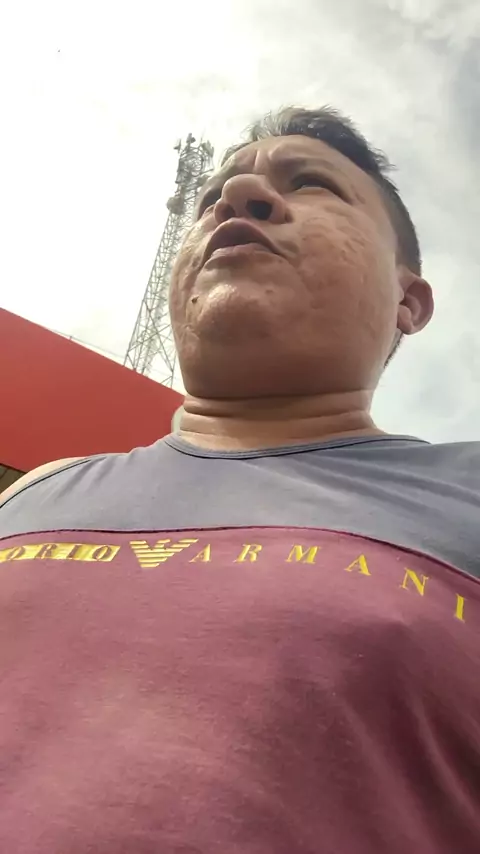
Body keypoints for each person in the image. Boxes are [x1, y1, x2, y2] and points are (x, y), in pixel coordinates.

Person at [0, 106, 478, 854]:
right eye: (213, 196)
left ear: (408, 301)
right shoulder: (36, 493)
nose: (237, 197)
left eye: (312, 183)